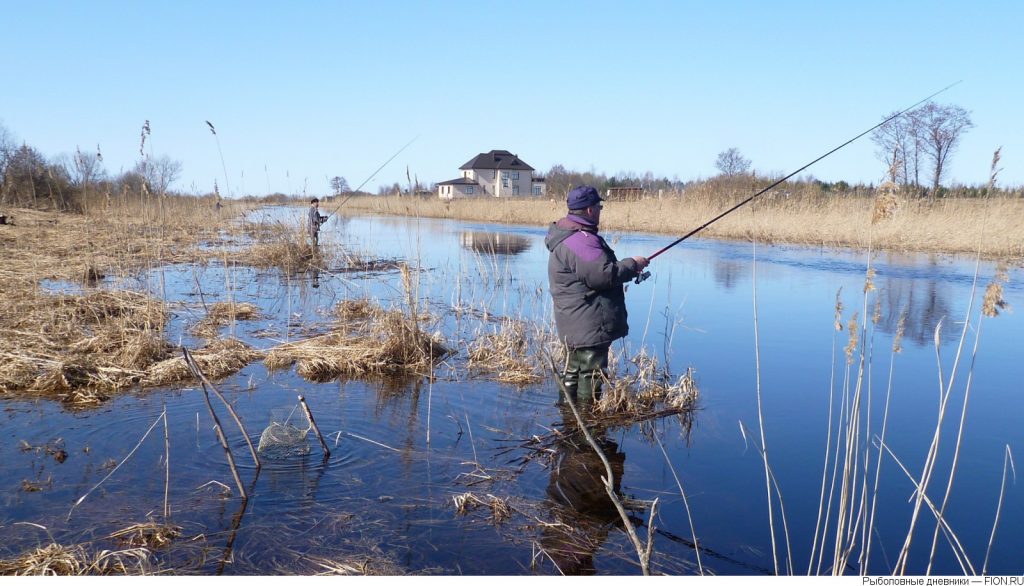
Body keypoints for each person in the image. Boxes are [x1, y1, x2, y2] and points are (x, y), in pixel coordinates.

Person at [545, 185, 649, 404]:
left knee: (573, 371)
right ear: (590, 210)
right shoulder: (581, 240)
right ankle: (586, 418)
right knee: (591, 374)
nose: (600, 211)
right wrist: (633, 264)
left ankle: (569, 415)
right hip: (589, 321)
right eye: (599, 207)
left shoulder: (567, 235)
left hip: (574, 319)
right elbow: (602, 275)